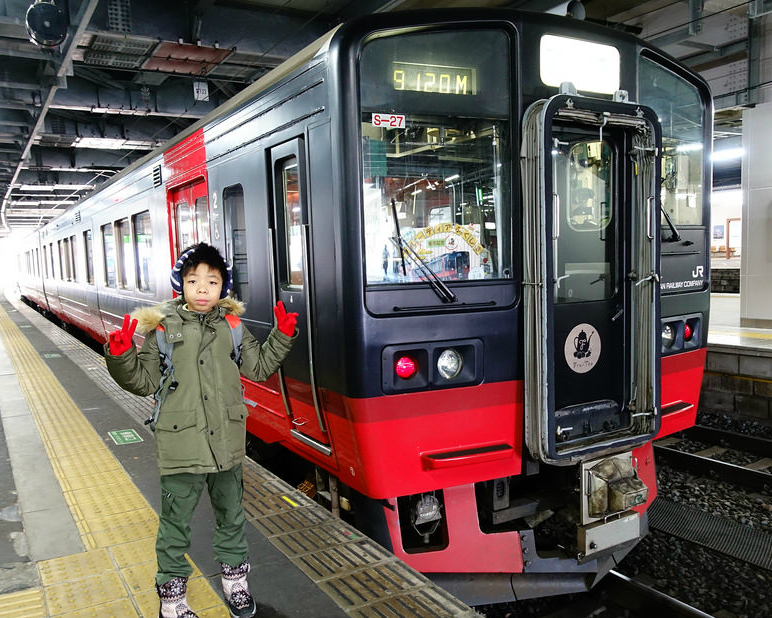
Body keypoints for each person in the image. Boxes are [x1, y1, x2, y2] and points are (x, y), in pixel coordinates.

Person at [104, 242, 297, 618]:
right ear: (182, 284)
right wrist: (121, 356)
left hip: (225, 443)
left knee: (232, 518)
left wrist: (281, 337)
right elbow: (143, 382)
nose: (203, 288)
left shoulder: (233, 325)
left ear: (223, 285)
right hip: (181, 446)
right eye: (194, 280)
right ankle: (172, 602)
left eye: (212, 280)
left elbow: (257, 368)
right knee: (175, 527)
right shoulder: (161, 327)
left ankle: (235, 584)